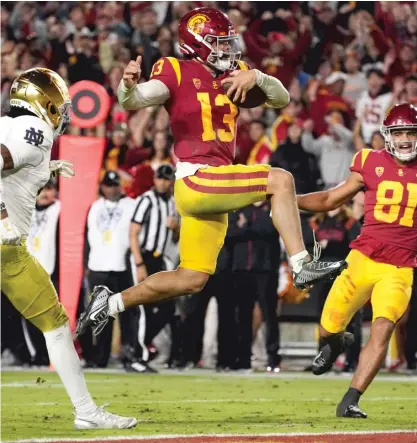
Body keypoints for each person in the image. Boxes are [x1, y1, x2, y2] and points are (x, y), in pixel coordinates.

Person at [75, 7, 346, 339]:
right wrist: (128, 87)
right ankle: (302, 265)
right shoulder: (176, 69)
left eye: (227, 43)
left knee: (192, 277)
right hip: (198, 178)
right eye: (217, 43)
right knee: (280, 179)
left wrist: (258, 76)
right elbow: (136, 101)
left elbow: (282, 98)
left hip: (212, 187)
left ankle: (109, 303)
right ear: (196, 44)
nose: (226, 50)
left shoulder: (235, 73)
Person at [0, 68, 136, 429]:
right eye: (58, 102)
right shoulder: (37, 130)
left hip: (8, 252)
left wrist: (46, 169)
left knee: (54, 323)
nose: (62, 111)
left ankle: (87, 412)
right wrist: (1, 216)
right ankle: (86, 412)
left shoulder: (7, 125)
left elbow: (14, 165)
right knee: (56, 326)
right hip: (4, 249)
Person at [296, 103, 417, 418]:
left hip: (400, 268)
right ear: (387, 136)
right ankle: (336, 343)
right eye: (399, 132)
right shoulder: (369, 161)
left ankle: (350, 399)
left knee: (383, 327)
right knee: (328, 327)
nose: (405, 139)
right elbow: (330, 199)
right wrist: (289, 199)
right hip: (362, 258)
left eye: (410, 132)